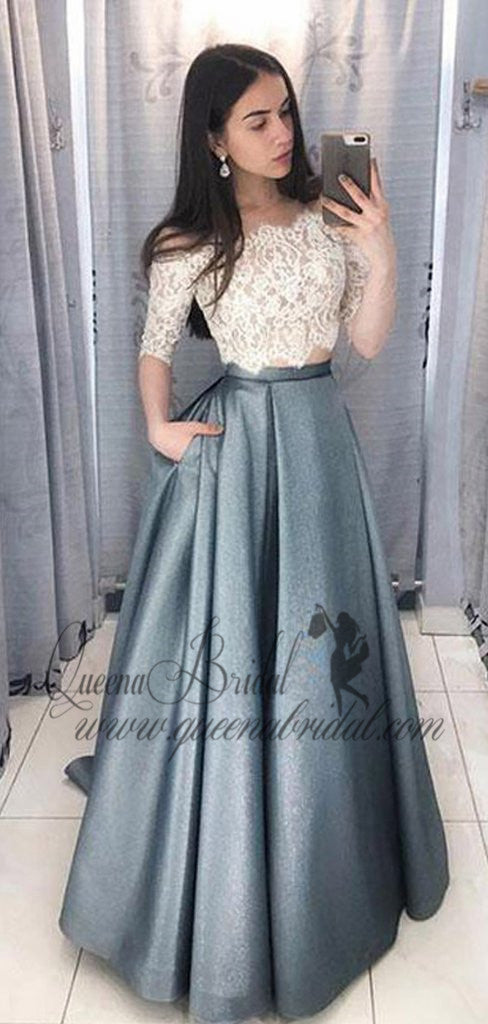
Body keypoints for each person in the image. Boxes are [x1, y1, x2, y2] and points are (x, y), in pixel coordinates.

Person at [58, 42, 449, 1024]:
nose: (282, 134)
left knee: (323, 653)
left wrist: (379, 251)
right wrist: (158, 426)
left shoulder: (329, 217)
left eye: (286, 112)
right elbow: (155, 347)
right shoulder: (184, 241)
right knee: (231, 653)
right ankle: (226, 862)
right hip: (234, 453)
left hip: (317, 447)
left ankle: (326, 855)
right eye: (257, 120)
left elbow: (365, 341)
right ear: (214, 140)